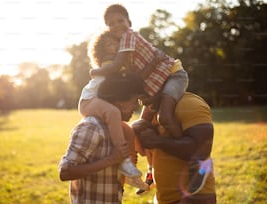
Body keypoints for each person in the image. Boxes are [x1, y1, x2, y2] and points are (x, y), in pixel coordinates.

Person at [91, 3, 189, 194]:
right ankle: (151, 172)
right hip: (159, 84)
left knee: (166, 117)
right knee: (137, 126)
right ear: (107, 28)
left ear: (129, 22)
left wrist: (98, 70)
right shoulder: (121, 48)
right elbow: (133, 76)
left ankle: (188, 157)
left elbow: (130, 72)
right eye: (111, 23)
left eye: (121, 20)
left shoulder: (129, 36)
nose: (117, 25)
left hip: (172, 75)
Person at [59, 73, 148, 203]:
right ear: (120, 101)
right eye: (134, 102)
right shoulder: (91, 127)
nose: (135, 108)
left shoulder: (120, 130)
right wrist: (110, 160)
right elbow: (65, 172)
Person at [78, 30, 142, 179]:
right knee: (114, 112)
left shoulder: (119, 63)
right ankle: (124, 161)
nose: (113, 46)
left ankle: (130, 170)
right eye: (108, 44)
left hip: (99, 102)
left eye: (115, 43)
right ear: (100, 50)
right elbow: (114, 73)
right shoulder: (109, 63)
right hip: (89, 100)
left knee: (128, 132)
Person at [132, 91, 216, 203]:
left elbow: (201, 150)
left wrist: (158, 141)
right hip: (164, 199)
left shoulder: (190, 104)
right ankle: (150, 172)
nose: (140, 99)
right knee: (136, 125)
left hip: (193, 197)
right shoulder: (152, 107)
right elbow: (143, 149)